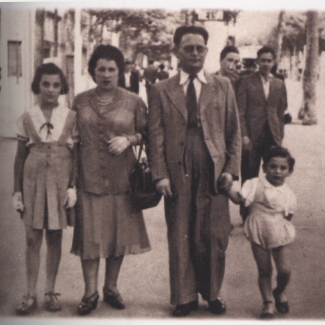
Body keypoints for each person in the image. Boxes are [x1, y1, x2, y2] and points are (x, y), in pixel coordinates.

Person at [148, 25, 241, 317]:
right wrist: (160, 174)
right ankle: (185, 297)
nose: (195, 53)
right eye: (188, 48)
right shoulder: (162, 89)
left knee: (213, 235)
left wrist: (231, 170)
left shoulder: (222, 85)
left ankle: (212, 293)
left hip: (213, 168)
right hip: (178, 168)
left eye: (200, 48)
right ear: (176, 51)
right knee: (181, 233)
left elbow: (234, 132)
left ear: (206, 50)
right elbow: (155, 135)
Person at [71, 44, 150, 316]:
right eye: (101, 69)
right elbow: (71, 139)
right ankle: (90, 292)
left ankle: (111, 288)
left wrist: (128, 139)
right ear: (93, 71)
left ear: (120, 72)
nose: (106, 74)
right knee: (90, 237)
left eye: (111, 69)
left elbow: (146, 134)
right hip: (88, 177)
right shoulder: (79, 101)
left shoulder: (133, 101)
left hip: (122, 178)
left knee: (118, 236)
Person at [12, 63, 78, 315]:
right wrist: (16, 191)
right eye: (45, 84)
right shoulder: (27, 117)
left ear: (62, 88)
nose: (51, 90)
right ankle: (30, 294)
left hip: (60, 181)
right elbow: (19, 157)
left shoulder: (70, 117)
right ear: (37, 86)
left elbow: (77, 155)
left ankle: (50, 291)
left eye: (56, 85)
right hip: (33, 180)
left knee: (54, 236)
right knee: (32, 238)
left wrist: (73, 186)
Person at [225, 146, 297, 319]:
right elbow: (239, 199)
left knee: (285, 270)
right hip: (258, 228)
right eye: (273, 167)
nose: (277, 171)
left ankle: (279, 291)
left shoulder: (288, 194)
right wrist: (227, 188)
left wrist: (279, 228)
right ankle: (268, 303)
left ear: (289, 171)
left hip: (278, 230)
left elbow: (289, 215)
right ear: (264, 168)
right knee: (264, 269)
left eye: (282, 168)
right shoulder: (254, 184)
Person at [236, 46, 287, 223]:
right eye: (263, 60)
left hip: (272, 135)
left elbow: (280, 111)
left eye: (269, 60)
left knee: (275, 173)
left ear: (274, 63)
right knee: (249, 174)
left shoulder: (279, 83)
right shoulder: (246, 81)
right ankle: (246, 214)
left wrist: (279, 134)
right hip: (251, 135)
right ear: (257, 62)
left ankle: (271, 211)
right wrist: (244, 135)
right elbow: (240, 111)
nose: (266, 64)